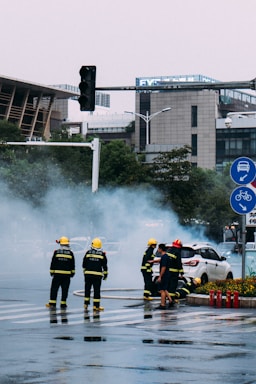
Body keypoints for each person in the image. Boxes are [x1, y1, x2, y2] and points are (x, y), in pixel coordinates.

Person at [46, 236, 75, 309]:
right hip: (66, 276)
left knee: (54, 289)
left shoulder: (56, 252)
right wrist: (72, 273)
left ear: (61, 244)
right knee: (65, 290)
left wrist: (52, 272)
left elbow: (53, 263)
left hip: (57, 275)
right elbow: (72, 265)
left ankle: (52, 303)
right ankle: (63, 303)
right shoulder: (70, 253)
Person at [83, 237, 108, 312]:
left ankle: (86, 304)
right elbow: (105, 266)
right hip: (97, 276)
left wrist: (85, 272)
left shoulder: (88, 253)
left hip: (88, 275)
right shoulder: (102, 254)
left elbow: (84, 264)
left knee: (87, 289)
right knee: (96, 290)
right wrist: (105, 275)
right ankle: (96, 306)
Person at [155, 244, 173, 309]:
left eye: (158, 248)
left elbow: (163, 267)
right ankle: (170, 300)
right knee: (164, 289)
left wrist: (160, 276)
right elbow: (161, 260)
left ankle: (162, 304)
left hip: (164, 275)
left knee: (162, 290)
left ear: (161, 249)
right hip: (166, 275)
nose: (158, 250)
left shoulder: (164, 257)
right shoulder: (165, 256)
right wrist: (154, 261)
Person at [166, 239, 184, 305]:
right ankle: (172, 299)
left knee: (168, 285)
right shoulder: (177, 252)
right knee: (173, 286)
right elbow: (179, 263)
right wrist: (182, 273)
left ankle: (168, 297)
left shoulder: (169, 250)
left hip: (167, 272)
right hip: (174, 273)